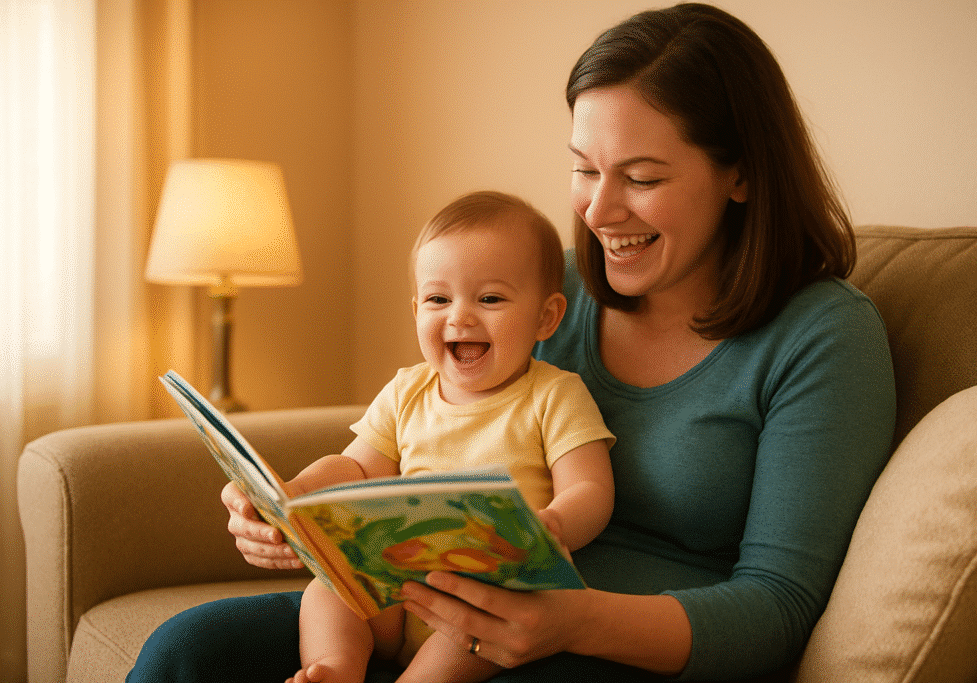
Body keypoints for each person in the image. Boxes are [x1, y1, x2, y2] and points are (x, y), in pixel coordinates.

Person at [127, 4, 896, 681]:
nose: (600, 209)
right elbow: (409, 443)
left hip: (617, 647)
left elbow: (780, 604)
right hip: (437, 598)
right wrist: (299, 511)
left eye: (642, 177)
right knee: (187, 650)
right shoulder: (539, 293)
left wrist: (573, 619)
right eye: (584, 169)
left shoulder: (821, 335)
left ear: (741, 174)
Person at [282, 191, 615, 683]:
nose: (459, 317)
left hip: (487, 597)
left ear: (546, 317)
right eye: (438, 299)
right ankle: (336, 668)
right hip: (399, 589)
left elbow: (591, 488)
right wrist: (295, 491)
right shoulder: (406, 389)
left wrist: (553, 525)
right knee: (328, 587)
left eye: (491, 299)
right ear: (416, 308)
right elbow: (355, 467)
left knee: (485, 625)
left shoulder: (553, 395)